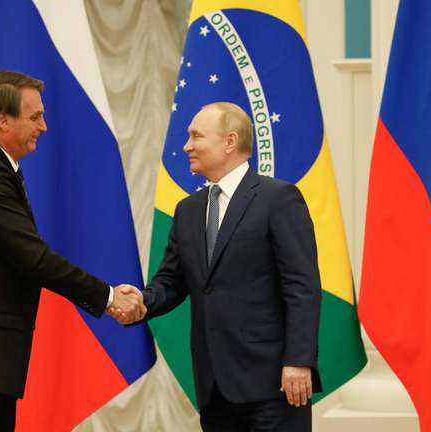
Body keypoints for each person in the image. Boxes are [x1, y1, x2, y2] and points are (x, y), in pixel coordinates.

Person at [0, 70, 145, 432]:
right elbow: (32, 258)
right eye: (35, 116)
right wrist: (109, 296)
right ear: (3, 120)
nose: (45, 126)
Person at [112, 102, 322, 431]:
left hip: (274, 383)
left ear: (229, 141)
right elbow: (171, 281)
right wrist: (141, 303)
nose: (186, 146)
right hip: (215, 388)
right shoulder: (188, 210)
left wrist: (299, 360)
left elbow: (302, 287)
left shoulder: (278, 199)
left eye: (196, 136)